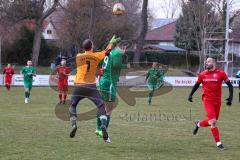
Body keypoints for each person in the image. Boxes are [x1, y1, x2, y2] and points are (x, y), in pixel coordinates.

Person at [68, 36, 120, 142]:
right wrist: (111, 42)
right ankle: (103, 126)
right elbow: (106, 51)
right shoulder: (96, 56)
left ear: (84, 47)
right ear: (92, 47)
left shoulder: (78, 56)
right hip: (91, 86)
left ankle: (73, 124)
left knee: (73, 105)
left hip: (79, 86)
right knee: (101, 106)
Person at [188, 57, 233, 150]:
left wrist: (230, 97)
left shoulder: (221, 73)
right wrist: (190, 95)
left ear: (213, 63)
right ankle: (219, 143)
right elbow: (196, 85)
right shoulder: (202, 74)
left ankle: (198, 124)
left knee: (211, 121)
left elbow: (230, 85)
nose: (206, 63)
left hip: (218, 101)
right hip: (207, 100)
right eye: (206, 62)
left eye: (208, 62)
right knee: (213, 121)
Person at [95, 44, 128, 141]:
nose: (125, 51)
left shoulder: (109, 52)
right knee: (109, 110)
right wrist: (126, 65)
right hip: (109, 83)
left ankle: (98, 129)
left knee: (102, 107)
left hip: (103, 81)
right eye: (125, 49)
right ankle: (104, 132)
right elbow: (116, 65)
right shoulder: (117, 53)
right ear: (122, 47)